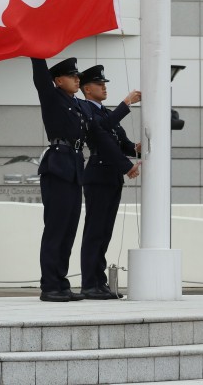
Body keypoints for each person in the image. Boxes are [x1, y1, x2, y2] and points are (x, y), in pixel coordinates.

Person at [78, 64, 141, 300]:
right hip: (98, 175)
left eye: (104, 84)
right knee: (94, 231)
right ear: (86, 89)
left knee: (105, 232)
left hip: (110, 178)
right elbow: (99, 133)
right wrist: (126, 104)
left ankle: (99, 282)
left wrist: (138, 149)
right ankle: (89, 283)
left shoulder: (105, 112)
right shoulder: (86, 109)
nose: (104, 88)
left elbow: (122, 143)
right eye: (99, 84)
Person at [31, 56, 89, 302]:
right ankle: (50, 285)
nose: (78, 79)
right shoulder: (52, 96)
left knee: (69, 229)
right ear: (58, 80)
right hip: (58, 166)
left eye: (78, 76)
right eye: (72, 76)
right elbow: (40, 79)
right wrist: (37, 52)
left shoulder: (76, 105)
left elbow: (100, 126)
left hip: (74, 167)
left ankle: (61, 282)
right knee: (56, 228)